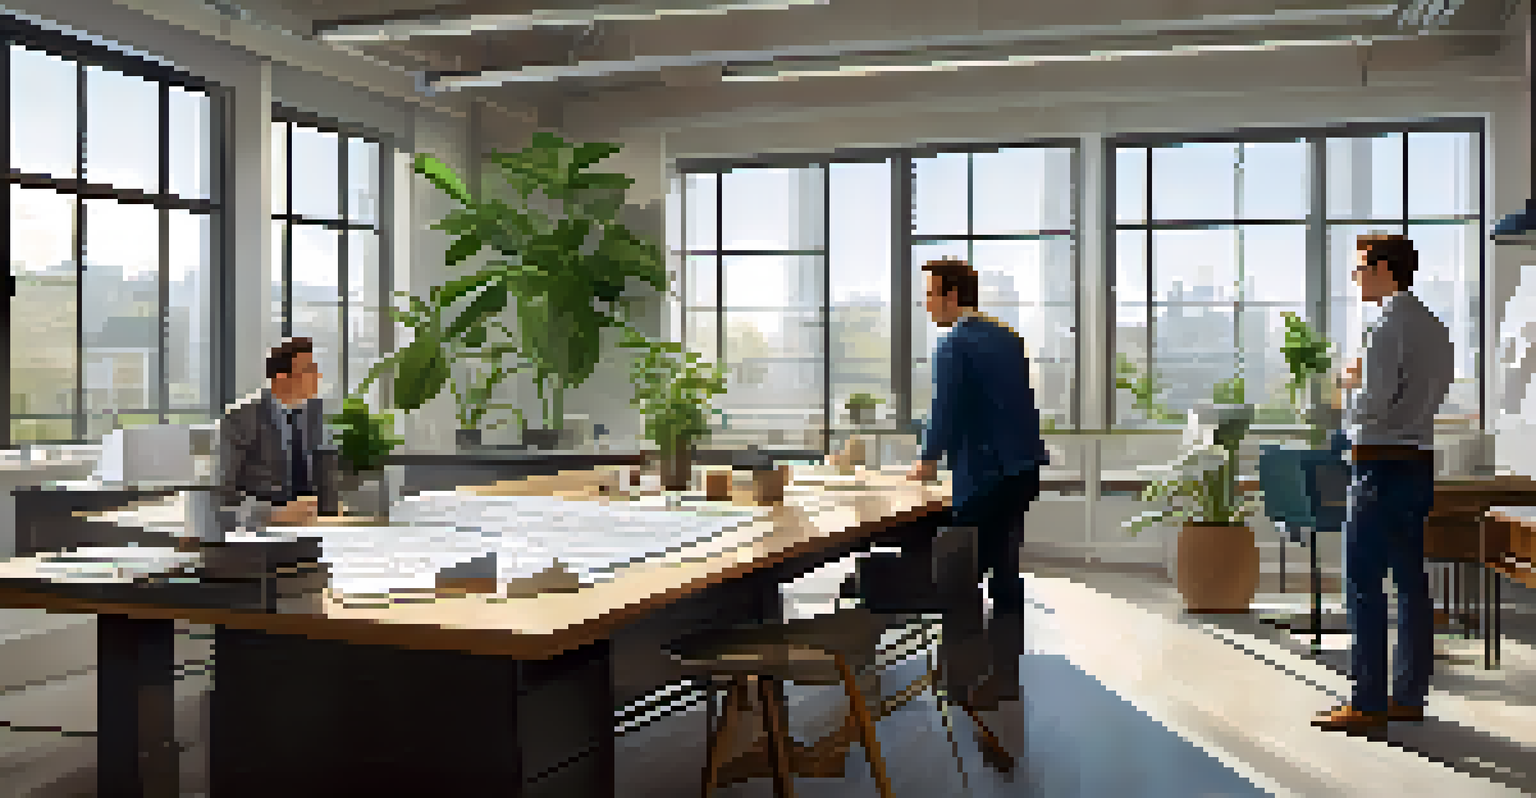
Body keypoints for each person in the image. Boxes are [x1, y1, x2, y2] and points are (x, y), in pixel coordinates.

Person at [1313, 234, 1453, 734]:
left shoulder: (1385, 324)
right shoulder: (1436, 328)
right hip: (1417, 464)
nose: (1356, 278)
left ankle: (1367, 701)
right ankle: (1409, 696)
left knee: (1364, 586)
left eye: (1359, 268)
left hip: (1377, 466)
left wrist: (1347, 387)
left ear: (1383, 268)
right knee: (1412, 585)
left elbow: (1371, 406)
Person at [907, 257, 1051, 711]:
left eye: (931, 294)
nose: (926, 304)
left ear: (952, 296)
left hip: (987, 475)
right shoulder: (1007, 338)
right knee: (1005, 575)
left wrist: (927, 460)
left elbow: (945, 410)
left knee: (959, 578)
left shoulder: (954, 345)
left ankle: (961, 680)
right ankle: (1005, 677)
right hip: (1023, 470)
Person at [214, 338, 326, 531]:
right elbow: (222, 493)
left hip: (311, 524)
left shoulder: (313, 413)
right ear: (281, 378)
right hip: (262, 530)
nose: (318, 377)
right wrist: (273, 513)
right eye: (309, 370)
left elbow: (320, 472)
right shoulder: (241, 418)